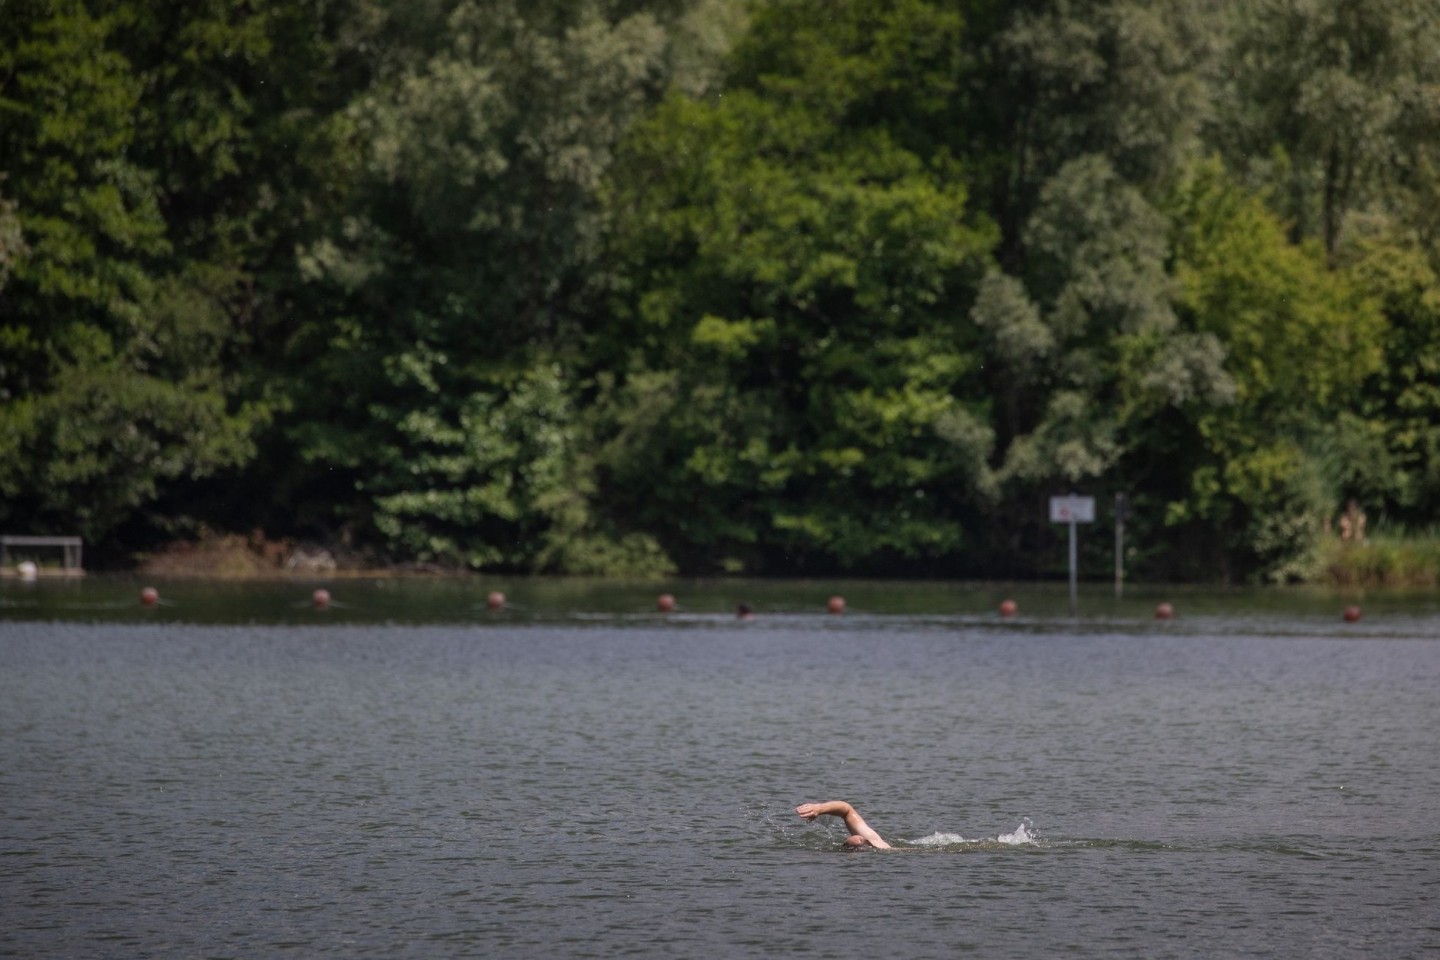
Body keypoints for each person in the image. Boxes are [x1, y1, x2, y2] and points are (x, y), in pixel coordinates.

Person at [795, 800, 892, 849]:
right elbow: (846, 809)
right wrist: (819, 809)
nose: (859, 838)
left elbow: (846, 809)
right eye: (862, 839)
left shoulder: (879, 845)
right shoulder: (879, 845)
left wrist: (820, 808)